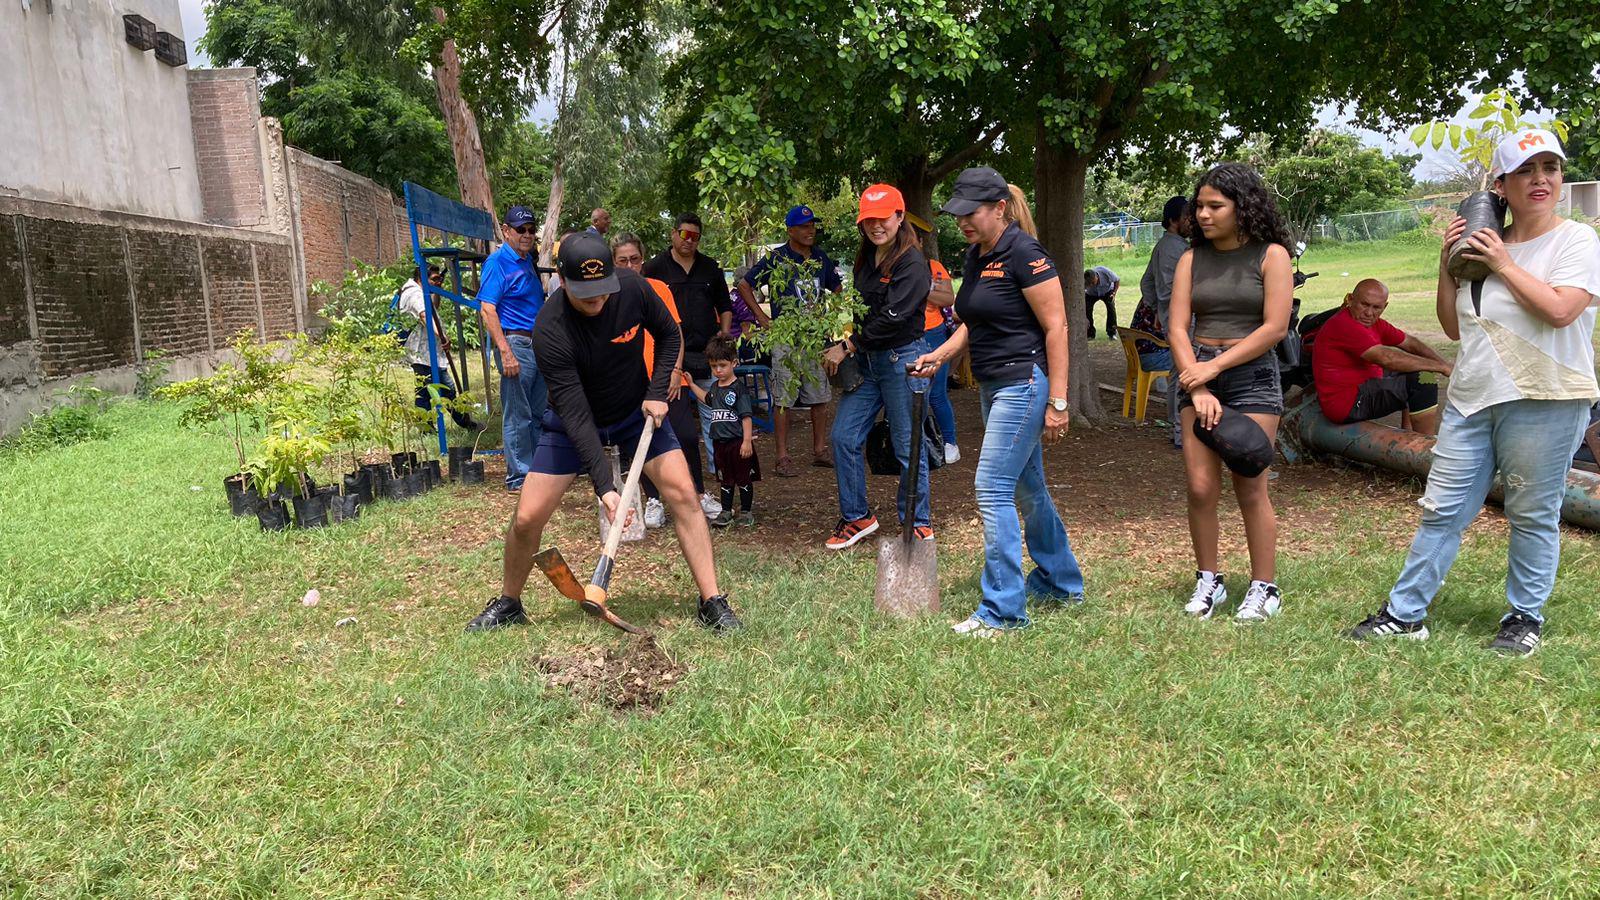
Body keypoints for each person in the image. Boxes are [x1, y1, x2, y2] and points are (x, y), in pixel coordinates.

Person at [1349, 129, 1600, 655]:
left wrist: (1503, 264)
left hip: (1545, 396)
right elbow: (1456, 326)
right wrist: (1450, 263)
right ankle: (1405, 613)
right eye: (1525, 171)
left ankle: (1523, 617)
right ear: (1501, 185)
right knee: (1441, 509)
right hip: (1471, 396)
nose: (1541, 180)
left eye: (1550, 168)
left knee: (1531, 511)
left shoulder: (1575, 240)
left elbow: (1560, 311)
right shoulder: (1482, 240)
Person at [465, 231, 743, 633]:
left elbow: (668, 335)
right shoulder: (551, 328)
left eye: (602, 291)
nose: (597, 301)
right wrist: (605, 488)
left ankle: (712, 601)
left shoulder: (631, 288)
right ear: (562, 280)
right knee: (527, 517)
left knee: (684, 493)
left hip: (635, 414)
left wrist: (656, 391)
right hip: (572, 423)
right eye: (586, 295)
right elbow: (576, 416)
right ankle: (509, 602)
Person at [913, 166, 1083, 636]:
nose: (962, 221)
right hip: (993, 385)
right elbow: (975, 318)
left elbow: (1057, 327)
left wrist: (1061, 403)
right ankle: (1061, 582)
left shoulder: (1024, 252)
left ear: (1000, 209)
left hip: (1022, 384)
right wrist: (940, 355)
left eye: (972, 212)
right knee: (1028, 489)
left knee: (991, 488)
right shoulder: (976, 254)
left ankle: (1004, 611)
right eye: (958, 213)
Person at [1168, 162, 1295, 622]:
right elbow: (1177, 326)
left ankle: (1264, 587)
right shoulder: (1190, 259)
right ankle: (1210, 581)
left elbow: (1275, 327)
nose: (1201, 214)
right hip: (1196, 370)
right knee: (1201, 487)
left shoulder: (1271, 255)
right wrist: (1197, 378)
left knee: (1250, 484)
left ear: (1243, 208)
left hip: (1252, 376)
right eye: (1199, 206)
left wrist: (1213, 369)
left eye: (1214, 206)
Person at [820, 184, 933, 549]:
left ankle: (917, 523)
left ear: (899, 216)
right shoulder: (866, 256)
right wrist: (852, 347)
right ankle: (858, 517)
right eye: (868, 219)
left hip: (903, 361)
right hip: (869, 362)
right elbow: (862, 311)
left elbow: (894, 317)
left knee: (906, 445)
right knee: (844, 437)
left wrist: (846, 346)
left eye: (882, 217)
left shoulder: (913, 262)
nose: (875, 225)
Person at [612, 233, 709, 530]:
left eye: (635, 259)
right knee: (640, 441)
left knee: (686, 436)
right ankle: (653, 499)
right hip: (630, 380)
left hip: (666, 376)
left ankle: (698, 493)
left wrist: (676, 370)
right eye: (623, 260)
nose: (630, 265)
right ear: (613, 262)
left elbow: (674, 332)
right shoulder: (609, 292)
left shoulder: (657, 288)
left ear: (643, 259)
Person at [739, 204, 842, 475]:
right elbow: (744, 285)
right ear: (790, 230)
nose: (811, 231)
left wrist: (832, 314)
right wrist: (762, 318)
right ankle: (782, 457)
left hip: (816, 338)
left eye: (812, 226)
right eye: (805, 227)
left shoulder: (820, 257)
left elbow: (837, 286)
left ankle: (819, 450)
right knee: (783, 397)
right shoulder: (777, 258)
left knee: (819, 396)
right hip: (786, 339)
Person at [642, 213, 731, 517]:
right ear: (673, 234)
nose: (689, 240)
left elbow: (725, 305)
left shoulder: (710, 267)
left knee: (713, 417)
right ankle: (654, 499)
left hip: (704, 353)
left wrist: (724, 335)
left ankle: (718, 481)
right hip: (663, 359)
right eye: (684, 234)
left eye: (695, 236)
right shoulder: (654, 269)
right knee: (658, 431)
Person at [1312, 278, 1451, 435]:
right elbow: (1387, 358)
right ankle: (1425, 446)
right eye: (1364, 304)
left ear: (1384, 307)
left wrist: (1443, 364)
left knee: (1414, 369)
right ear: (1351, 299)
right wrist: (1442, 367)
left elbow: (1410, 343)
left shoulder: (1374, 323)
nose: (1369, 313)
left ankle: (1410, 435)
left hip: (1363, 388)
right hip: (1347, 405)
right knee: (1422, 380)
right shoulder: (1343, 324)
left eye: (1376, 307)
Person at [479, 206, 548, 492]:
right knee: (518, 413)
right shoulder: (498, 262)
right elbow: (487, 309)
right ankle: (519, 476)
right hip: (516, 344)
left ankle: (537, 471)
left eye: (531, 229)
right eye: (521, 229)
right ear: (506, 231)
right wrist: (505, 351)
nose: (527, 235)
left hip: (536, 345)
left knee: (537, 411)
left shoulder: (525, 261)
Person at [687, 336, 759, 528]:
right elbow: (707, 399)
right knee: (725, 478)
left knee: (743, 476)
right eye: (713, 366)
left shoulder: (739, 389)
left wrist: (746, 441)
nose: (718, 370)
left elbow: (746, 417)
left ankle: (746, 511)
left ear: (734, 363)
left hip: (737, 441)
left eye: (722, 365)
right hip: (720, 442)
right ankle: (725, 511)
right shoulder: (715, 387)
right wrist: (692, 384)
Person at [1136, 195, 1191, 446]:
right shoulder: (1173, 248)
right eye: (1187, 216)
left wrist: (1157, 310)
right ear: (1173, 220)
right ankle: (1181, 435)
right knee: (1185, 372)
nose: (1192, 221)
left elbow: (1147, 283)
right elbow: (1168, 288)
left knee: (1177, 372)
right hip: (1182, 320)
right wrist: (1165, 309)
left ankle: (1176, 428)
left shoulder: (1172, 245)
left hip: (1173, 319)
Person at [397, 266, 481, 430]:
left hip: (425, 351)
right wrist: (442, 336)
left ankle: (427, 427)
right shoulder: (415, 294)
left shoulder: (421, 291)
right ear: (421, 278)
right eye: (434, 279)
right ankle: (463, 422)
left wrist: (436, 289)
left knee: (425, 390)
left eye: (439, 279)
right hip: (422, 353)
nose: (438, 281)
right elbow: (425, 316)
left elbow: (434, 308)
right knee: (444, 389)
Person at [907, 213, 961, 462]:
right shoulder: (889, 267)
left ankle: (950, 443)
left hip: (934, 333)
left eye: (913, 239)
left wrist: (921, 285)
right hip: (906, 336)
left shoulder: (933, 268)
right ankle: (913, 444)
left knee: (936, 393)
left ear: (919, 242)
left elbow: (947, 299)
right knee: (908, 393)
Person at [1085, 265, 1120, 340]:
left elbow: (1117, 280)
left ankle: (1112, 333)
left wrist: (1114, 293)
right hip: (1091, 294)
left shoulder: (1105, 272)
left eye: (1093, 282)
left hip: (1107, 291)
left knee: (1111, 309)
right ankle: (1090, 334)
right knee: (1087, 311)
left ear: (1096, 277)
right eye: (1089, 283)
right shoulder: (1084, 279)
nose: (1091, 285)